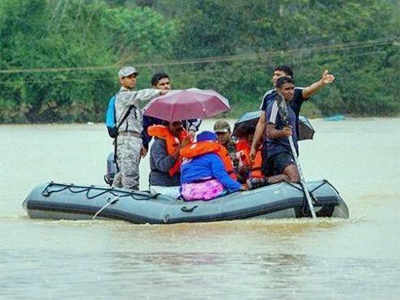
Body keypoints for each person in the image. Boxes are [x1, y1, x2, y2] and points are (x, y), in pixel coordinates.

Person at [250, 65, 335, 161]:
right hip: (270, 146)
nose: (274, 78)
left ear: (288, 78)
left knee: (291, 174)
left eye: (278, 75)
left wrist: (321, 83)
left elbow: (309, 89)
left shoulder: (294, 93)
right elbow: (261, 122)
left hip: (289, 145)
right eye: (274, 75)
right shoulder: (269, 96)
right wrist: (254, 147)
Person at [112, 66, 167, 190]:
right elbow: (140, 95)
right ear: (122, 80)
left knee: (123, 175)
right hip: (127, 140)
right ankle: (128, 202)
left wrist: (143, 143)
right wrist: (159, 92)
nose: (133, 80)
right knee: (131, 176)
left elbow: (141, 122)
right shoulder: (123, 96)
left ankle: (112, 195)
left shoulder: (134, 103)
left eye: (134, 77)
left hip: (135, 139)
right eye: (129, 77)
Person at [141, 72, 201, 152]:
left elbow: (197, 116)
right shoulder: (151, 107)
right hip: (162, 145)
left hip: (183, 142)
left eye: (167, 83)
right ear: (154, 88)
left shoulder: (181, 101)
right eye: (162, 84)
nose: (166, 86)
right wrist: (144, 145)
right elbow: (146, 128)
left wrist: (192, 130)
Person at [180, 131, 244, 201]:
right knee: (226, 186)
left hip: (188, 193)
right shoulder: (213, 157)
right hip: (207, 191)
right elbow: (222, 176)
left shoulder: (186, 160)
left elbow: (183, 180)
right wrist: (239, 186)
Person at [260, 76, 301, 184]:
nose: (291, 92)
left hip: (289, 152)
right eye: (287, 89)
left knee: (296, 180)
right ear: (278, 90)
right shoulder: (275, 105)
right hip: (278, 151)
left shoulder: (289, 107)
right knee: (294, 178)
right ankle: (260, 181)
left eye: (292, 88)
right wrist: (283, 132)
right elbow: (269, 132)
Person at [147, 121, 192, 198]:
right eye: (175, 124)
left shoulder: (183, 141)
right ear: (167, 126)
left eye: (181, 124)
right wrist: (179, 150)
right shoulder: (158, 144)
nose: (179, 127)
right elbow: (163, 166)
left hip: (178, 184)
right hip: (162, 186)